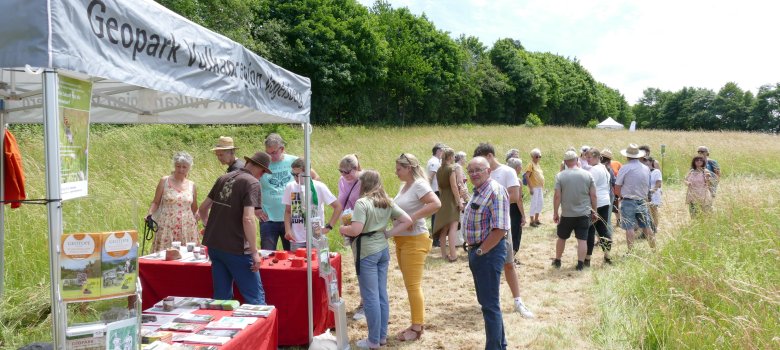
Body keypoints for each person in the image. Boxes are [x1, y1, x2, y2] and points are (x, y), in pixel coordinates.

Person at [339, 170, 412, 349]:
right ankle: (381, 337)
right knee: (381, 295)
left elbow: (356, 230)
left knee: (370, 297)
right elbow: (407, 220)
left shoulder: (362, 203)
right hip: (382, 250)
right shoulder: (386, 201)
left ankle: (373, 340)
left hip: (367, 253)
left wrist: (343, 229)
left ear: (363, 184)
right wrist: (387, 233)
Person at [198, 151, 272, 305]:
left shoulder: (223, 178)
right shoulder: (252, 183)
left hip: (215, 246)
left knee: (221, 299)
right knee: (256, 299)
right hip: (237, 248)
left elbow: (203, 208)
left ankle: (220, 328)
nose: (263, 176)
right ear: (260, 168)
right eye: (264, 172)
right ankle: (260, 329)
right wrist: (254, 252)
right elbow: (248, 219)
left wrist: (208, 226)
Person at [473, 143, 534, 318]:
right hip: (483, 227)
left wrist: (490, 197)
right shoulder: (482, 175)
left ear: (490, 156)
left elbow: (515, 196)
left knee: (508, 264)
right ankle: (488, 301)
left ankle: (517, 301)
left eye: (482, 161)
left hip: (501, 227)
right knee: (483, 266)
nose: (478, 169)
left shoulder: (507, 172)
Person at [462, 156, 511, 349]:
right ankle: (500, 345)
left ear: (488, 171)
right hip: (479, 251)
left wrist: (481, 251)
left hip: (488, 252)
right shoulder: (478, 191)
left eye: (478, 170)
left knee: (490, 305)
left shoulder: (495, 191)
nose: (474, 174)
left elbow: (500, 229)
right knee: (489, 304)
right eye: (470, 170)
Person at [392, 153, 441, 342]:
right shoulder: (404, 186)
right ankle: (415, 322)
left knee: (413, 286)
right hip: (402, 239)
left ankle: (417, 327)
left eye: (399, 169)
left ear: (409, 168)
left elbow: (435, 203)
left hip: (415, 240)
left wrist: (412, 218)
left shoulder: (419, 184)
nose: (396, 172)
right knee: (409, 284)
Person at [257, 133, 318, 251]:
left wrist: (305, 200)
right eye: (268, 153)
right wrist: (256, 208)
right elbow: (251, 185)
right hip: (268, 218)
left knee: (292, 254)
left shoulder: (294, 161)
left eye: (274, 152)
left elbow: (314, 178)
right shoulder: (262, 164)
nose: (270, 156)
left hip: (292, 218)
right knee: (267, 253)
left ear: (282, 149)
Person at [551, 151, 597, 271]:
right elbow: (593, 196)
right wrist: (594, 211)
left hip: (567, 214)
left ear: (565, 162)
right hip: (584, 213)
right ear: (577, 160)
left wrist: (555, 212)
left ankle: (558, 260)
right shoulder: (588, 175)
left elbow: (557, 196)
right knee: (582, 239)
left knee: (561, 238)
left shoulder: (560, 176)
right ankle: (580, 264)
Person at [283, 158, 342, 251]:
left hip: (316, 236)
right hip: (297, 238)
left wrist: (329, 227)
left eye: (297, 175)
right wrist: (288, 230)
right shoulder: (290, 187)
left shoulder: (319, 186)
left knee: (318, 264)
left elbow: (338, 206)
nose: (294, 177)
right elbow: (287, 211)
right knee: (298, 264)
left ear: (307, 173)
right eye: (293, 174)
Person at [146, 152, 200, 252]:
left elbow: (194, 208)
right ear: (174, 166)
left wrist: (201, 219)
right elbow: (155, 202)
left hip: (187, 227)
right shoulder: (164, 181)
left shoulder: (192, 185)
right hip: (167, 225)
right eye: (178, 166)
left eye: (184, 167)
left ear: (189, 168)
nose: (181, 169)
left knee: (186, 257)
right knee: (165, 254)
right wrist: (149, 214)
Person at [336, 154, 367, 320]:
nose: (344, 175)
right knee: (358, 267)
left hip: (364, 228)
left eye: (348, 172)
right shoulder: (342, 181)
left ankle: (365, 304)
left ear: (356, 168)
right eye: (341, 171)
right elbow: (340, 203)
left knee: (364, 268)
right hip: (350, 227)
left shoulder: (365, 179)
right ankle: (364, 301)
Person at [615, 144, 655, 250]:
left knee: (629, 227)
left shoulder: (625, 168)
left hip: (628, 200)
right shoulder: (646, 168)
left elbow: (617, 186)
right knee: (646, 226)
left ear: (627, 156)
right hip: (642, 199)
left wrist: (621, 196)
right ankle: (654, 249)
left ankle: (631, 251)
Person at [584, 148, 613, 266]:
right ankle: (607, 255)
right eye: (586, 157)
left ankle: (587, 258)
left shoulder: (594, 170)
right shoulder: (604, 168)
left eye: (589, 157)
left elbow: (589, 187)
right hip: (605, 201)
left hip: (596, 202)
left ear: (596, 157)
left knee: (590, 230)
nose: (587, 159)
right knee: (603, 229)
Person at [433, 147, 462, 261]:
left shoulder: (439, 170)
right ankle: (453, 255)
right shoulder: (451, 169)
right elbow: (454, 186)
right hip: (451, 199)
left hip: (442, 198)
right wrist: (459, 201)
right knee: (453, 227)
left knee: (443, 228)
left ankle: (444, 254)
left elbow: (439, 187)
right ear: (451, 157)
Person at [427, 143, 445, 242]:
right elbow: (430, 176)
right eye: (442, 151)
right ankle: (436, 239)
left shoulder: (435, 161)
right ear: (438, 151)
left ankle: (436, 238)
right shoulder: (434, 162)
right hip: (435, 191)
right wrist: (429, 191)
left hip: (435, 191)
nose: (443, 153)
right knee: (436, 215)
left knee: (436, 215)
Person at [524, 148, 544, 227]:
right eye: (536, 156)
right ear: (532, 156)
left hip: (540, 187)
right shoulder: (530, 164)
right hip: (534, 187)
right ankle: (532, 221)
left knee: (540, 203)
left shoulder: (538, 165)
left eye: (539, 156)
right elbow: (527, 176)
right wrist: (531, 187)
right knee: (534, 203)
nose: (538, 158)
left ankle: (536, 219)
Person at [645, 156, 663, 233]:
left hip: (654, 193)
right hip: (645, 193)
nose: (646, 162)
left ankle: (655, 227)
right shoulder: (644, 171)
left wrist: (652, 191)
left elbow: (658, 183)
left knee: (653, 210)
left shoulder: (656, 171)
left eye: (648, 161)